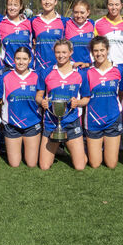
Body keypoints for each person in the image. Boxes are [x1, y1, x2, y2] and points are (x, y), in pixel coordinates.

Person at [35, 39, 90, 170]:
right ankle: (58, 149)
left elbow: (86, 98)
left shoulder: (80, 73)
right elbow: (38, 96)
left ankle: (79, 153)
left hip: (72, 121)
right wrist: (42, 102)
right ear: (54, 53)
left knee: (80, 166)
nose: (61, 55)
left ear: (71, 52)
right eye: (58, 52)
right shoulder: (46, 72)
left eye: (64, 52)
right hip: (51, 121)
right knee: (44, 166)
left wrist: (78, 103)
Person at [0, 47, 42, 168]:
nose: (21, 62)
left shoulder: (37, 76)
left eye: (24, 59)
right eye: (18, 58)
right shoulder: (5, 77)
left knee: (32, 163)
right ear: (13, 60)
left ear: (30, 60)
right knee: (14, 164)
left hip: (32, 123)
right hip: (12, 124)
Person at [82, 36, 123, 169]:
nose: (99, 53)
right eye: (96, 51)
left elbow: (121, 93)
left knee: (111, 164)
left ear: (107, 50)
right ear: (92, 52)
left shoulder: (118, 70)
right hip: (93, 120)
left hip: (113, 119)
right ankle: (87, 144)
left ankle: (107, 145)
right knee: (94, 164)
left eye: (102, 50)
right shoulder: (87, 72)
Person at [31, 0, 66, 73]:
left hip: (58, 68)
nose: (47, 2)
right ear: (40, 1)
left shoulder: (64, 21)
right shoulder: (33, 21)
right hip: (39, 68)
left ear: (55, 2)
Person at [94, 0, 123, 66]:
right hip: (104, 65)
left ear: (121, 5)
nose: (114, 8)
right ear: (107, 5)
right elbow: (93, 46)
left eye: (117, 4)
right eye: (111, 4)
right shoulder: (98, 23)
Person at [0, 0, 33, 70]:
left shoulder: (29, 23)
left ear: (21, 6)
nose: (12, 8)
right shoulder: (0, 24)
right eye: (10, 4)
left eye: (15, 5)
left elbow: (33, 45)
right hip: (8, 68)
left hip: (27, 69)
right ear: (6, 6)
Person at [64, 0, 94, 68]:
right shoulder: (66, 22)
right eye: (76, 12)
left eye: (82, 12)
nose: (79, 15)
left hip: (87, 67)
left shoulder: (93, 24)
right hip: (70, 67)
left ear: (88, 12)